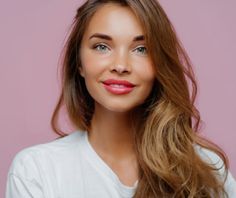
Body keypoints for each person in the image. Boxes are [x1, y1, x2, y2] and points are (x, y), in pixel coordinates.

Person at [6, 0, 236, 197]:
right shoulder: (36, 171)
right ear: (79, 63)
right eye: (102, 46)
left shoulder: (206, 170)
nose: (120, 66)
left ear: (160, 65)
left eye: (141, 49)